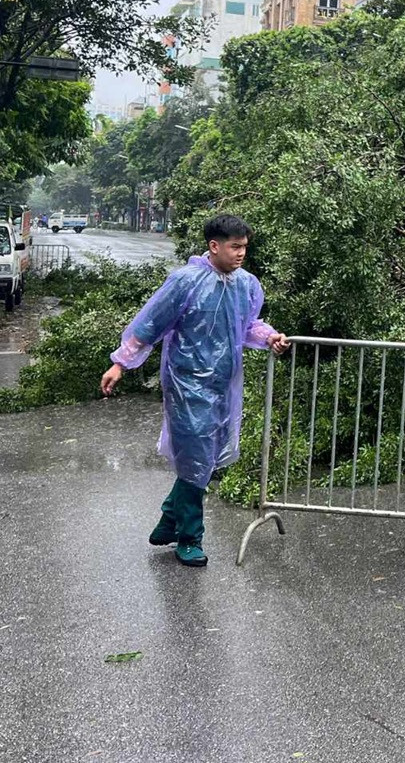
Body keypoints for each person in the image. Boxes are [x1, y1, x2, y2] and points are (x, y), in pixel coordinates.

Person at [100, 214, 288, 567]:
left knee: (203, 458)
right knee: (197, 456)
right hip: (186, 383)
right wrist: (120, 363)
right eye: (235, 247)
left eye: (245, 247)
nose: (241, 253)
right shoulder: (185, 282)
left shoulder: (246, 284)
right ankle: (189, 537)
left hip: (222, 385)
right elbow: (149, 324)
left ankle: (170, 516)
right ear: (214, 246)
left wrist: (270, 337)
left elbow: (249, 324)